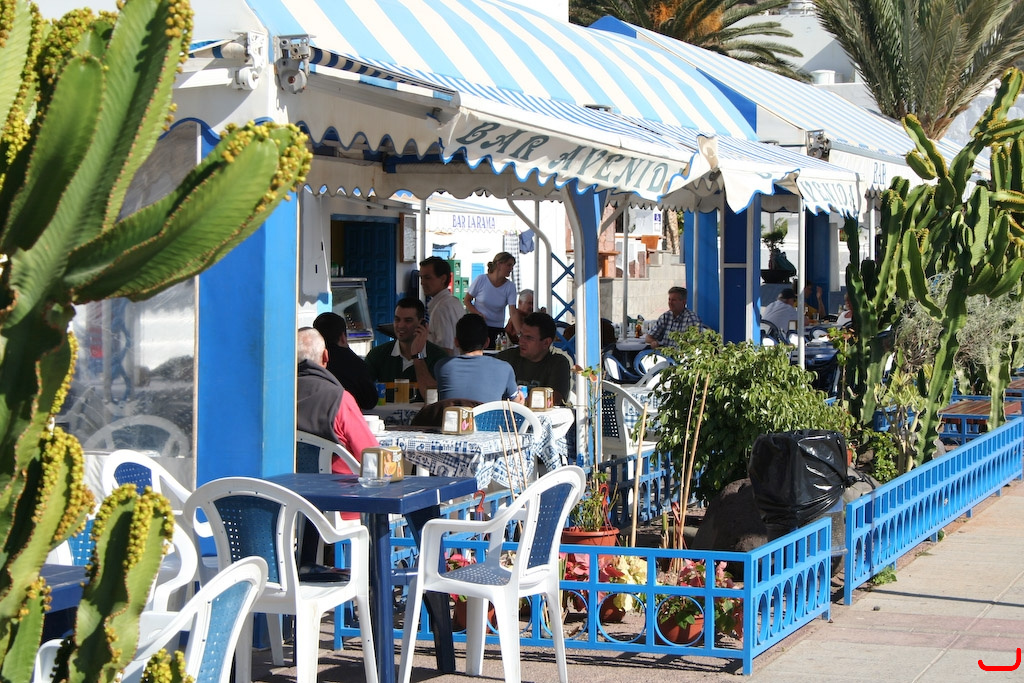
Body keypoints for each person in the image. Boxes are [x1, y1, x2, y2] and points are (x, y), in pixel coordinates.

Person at [296, 327, 377, 474]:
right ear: (325, 356)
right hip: (338, 485)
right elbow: (372, 455)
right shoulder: (339, 399)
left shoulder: (276, 398)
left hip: (282, 486)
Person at [434, 314, 522, 403]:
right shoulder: (504, 368)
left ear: (456, 342)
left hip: (452, 412)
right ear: (487, 342)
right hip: (487, 412)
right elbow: (516, 402)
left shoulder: (442, 366)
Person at [365, 298, 446, 392]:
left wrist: (417, 356)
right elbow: (360, 387)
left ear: (422, 323)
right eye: (397, 319)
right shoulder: (378, 354)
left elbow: (433, 396)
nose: (400, 325)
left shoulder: (438, 357)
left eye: (408, 320)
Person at [497, 311, 571, 406]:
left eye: (528, 338)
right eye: (521, 335)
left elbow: (554, 400)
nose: (521, 341)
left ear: (546, 343)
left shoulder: (559, 362)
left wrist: (519, 400)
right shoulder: (506, 358)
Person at [312, 312, 378, 410]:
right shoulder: (355, 364)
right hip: (346, 415)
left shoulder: (308, 361)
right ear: (343, 336)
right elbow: (370, 402)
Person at [464, 251, 520, 348]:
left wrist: (520, 334)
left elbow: (513, 312)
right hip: (479, 327)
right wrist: (477, 313)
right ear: (499, 264)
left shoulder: (510, 286)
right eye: (509, 265)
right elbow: (467, 300)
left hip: (497, 329)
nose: (511, 269)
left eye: (512, 266)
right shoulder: (481, 280)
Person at [419, 256, 464, 355]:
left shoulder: (441, 308)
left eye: (428, 278)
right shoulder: (454, 302)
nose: (422, 283)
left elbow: (445, 351)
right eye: (421, 277)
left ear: (443, 278)